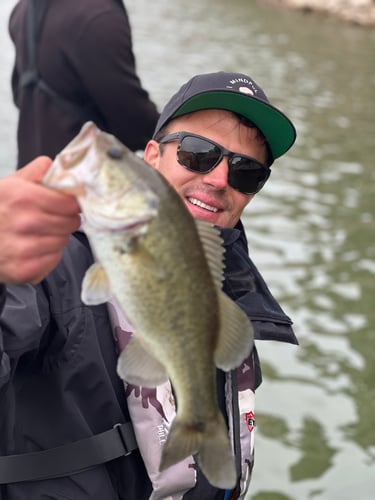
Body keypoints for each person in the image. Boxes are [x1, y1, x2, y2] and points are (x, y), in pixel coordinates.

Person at [0, 71, 298, 499]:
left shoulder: (234, 292)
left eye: (246, 171)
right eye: (198, 153)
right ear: (153, 156)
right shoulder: (47, 265)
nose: (218, 179)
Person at [8, 0, 159, 168]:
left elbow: (19, 93)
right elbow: (132, 122)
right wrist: (179, 134)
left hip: (31, 175)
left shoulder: (23, 9)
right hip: (85, 183)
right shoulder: (99, 16)